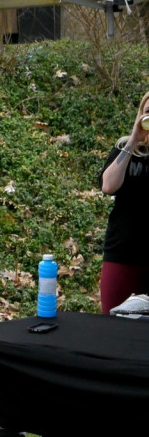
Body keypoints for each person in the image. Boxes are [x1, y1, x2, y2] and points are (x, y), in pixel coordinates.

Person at [98, 90, 149, 313]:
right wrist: (133, 141)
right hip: (123, 251)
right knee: (112, 324)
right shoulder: (125, 148)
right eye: (147, 111)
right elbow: (108, 186)